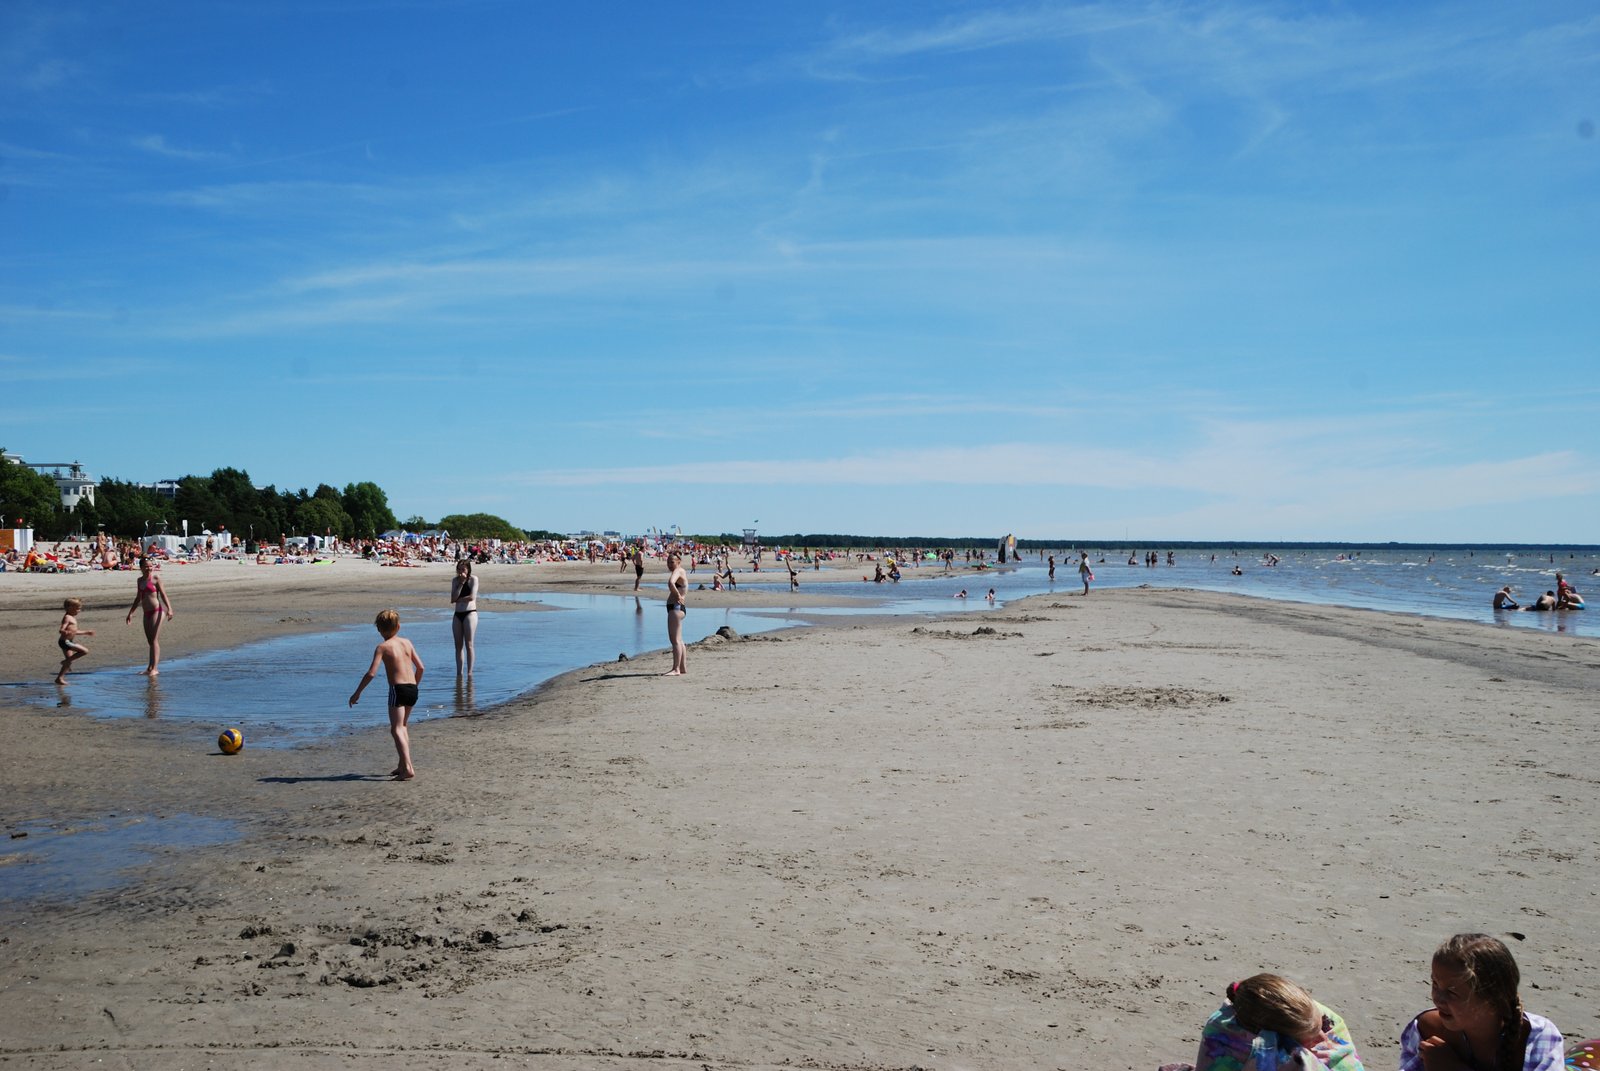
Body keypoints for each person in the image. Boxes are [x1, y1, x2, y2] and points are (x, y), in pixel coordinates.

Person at [1399, 933, 1562, 1071]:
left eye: (1452, 992)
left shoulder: (1536, 1037)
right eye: (1435, 984)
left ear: (1492, 1000)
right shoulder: (1426, 1029)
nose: (1437, 999)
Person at [1188, 973, 1366, 1071]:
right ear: (1274, 1038)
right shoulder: (1224, 1035)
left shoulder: (1314, 1014)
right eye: (1312, 1037)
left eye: (1320, 1028)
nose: (1324, 1039)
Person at [349, 609, 425, 780]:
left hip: (397, 689)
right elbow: (421, 668)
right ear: (398, 627)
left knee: (396, 729)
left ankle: (408, 767)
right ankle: (402, 764)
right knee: (403, 726)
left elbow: (371, 673)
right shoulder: (407, 642)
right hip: (412, 688)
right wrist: (414, 686)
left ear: (379, 629)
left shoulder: (382, 647)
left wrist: (357, 693)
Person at [124, 557, 173, 675]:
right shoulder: (139, 580)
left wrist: (170, 609)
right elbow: (138, 598)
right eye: (146, 566)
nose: (149, 568)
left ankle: (155, 668)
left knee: (154, 639)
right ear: (141, 568)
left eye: (151, 566)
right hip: (146, 612)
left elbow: (163, 595)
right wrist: (131, 613)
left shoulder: (156, 579)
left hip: (157, 611)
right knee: (150, 641)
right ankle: (149, 668)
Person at [54, 597, 94, 685]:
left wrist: (86, 632)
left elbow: (74, 631)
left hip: (68, 641)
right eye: (77, 609)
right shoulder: (67, 617)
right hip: (65, 642)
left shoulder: (72, 617)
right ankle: (64, 662)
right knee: (84, 651)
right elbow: (61, 629)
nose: (79, 611)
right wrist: (63, 631)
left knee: (69, 661)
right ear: (70, 608)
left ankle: (59, 678)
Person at [450, 559, 479, 677]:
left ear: (468, 569)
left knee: (469, 644)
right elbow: (453, 598)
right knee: (458, 645)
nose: (461, 571)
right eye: (459, 569)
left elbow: (472, 597)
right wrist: (461, 583)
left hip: (470, 613)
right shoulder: (455, 581)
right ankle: (459, 672)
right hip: (458, 614)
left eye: (463, 569)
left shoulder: (473, 579)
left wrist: (459, 599)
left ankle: (470, 672)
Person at [663, 551, 688, 676]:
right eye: (668, 562)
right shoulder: (681, 571)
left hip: (676, 608)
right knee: (679, 640)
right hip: (678, 608)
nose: (669, 564)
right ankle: (682, 667)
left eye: (672, 562)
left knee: (675, 640)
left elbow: (670, 583)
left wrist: (677, 595)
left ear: (678, 562)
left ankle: (676, 669)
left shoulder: (678, 571)